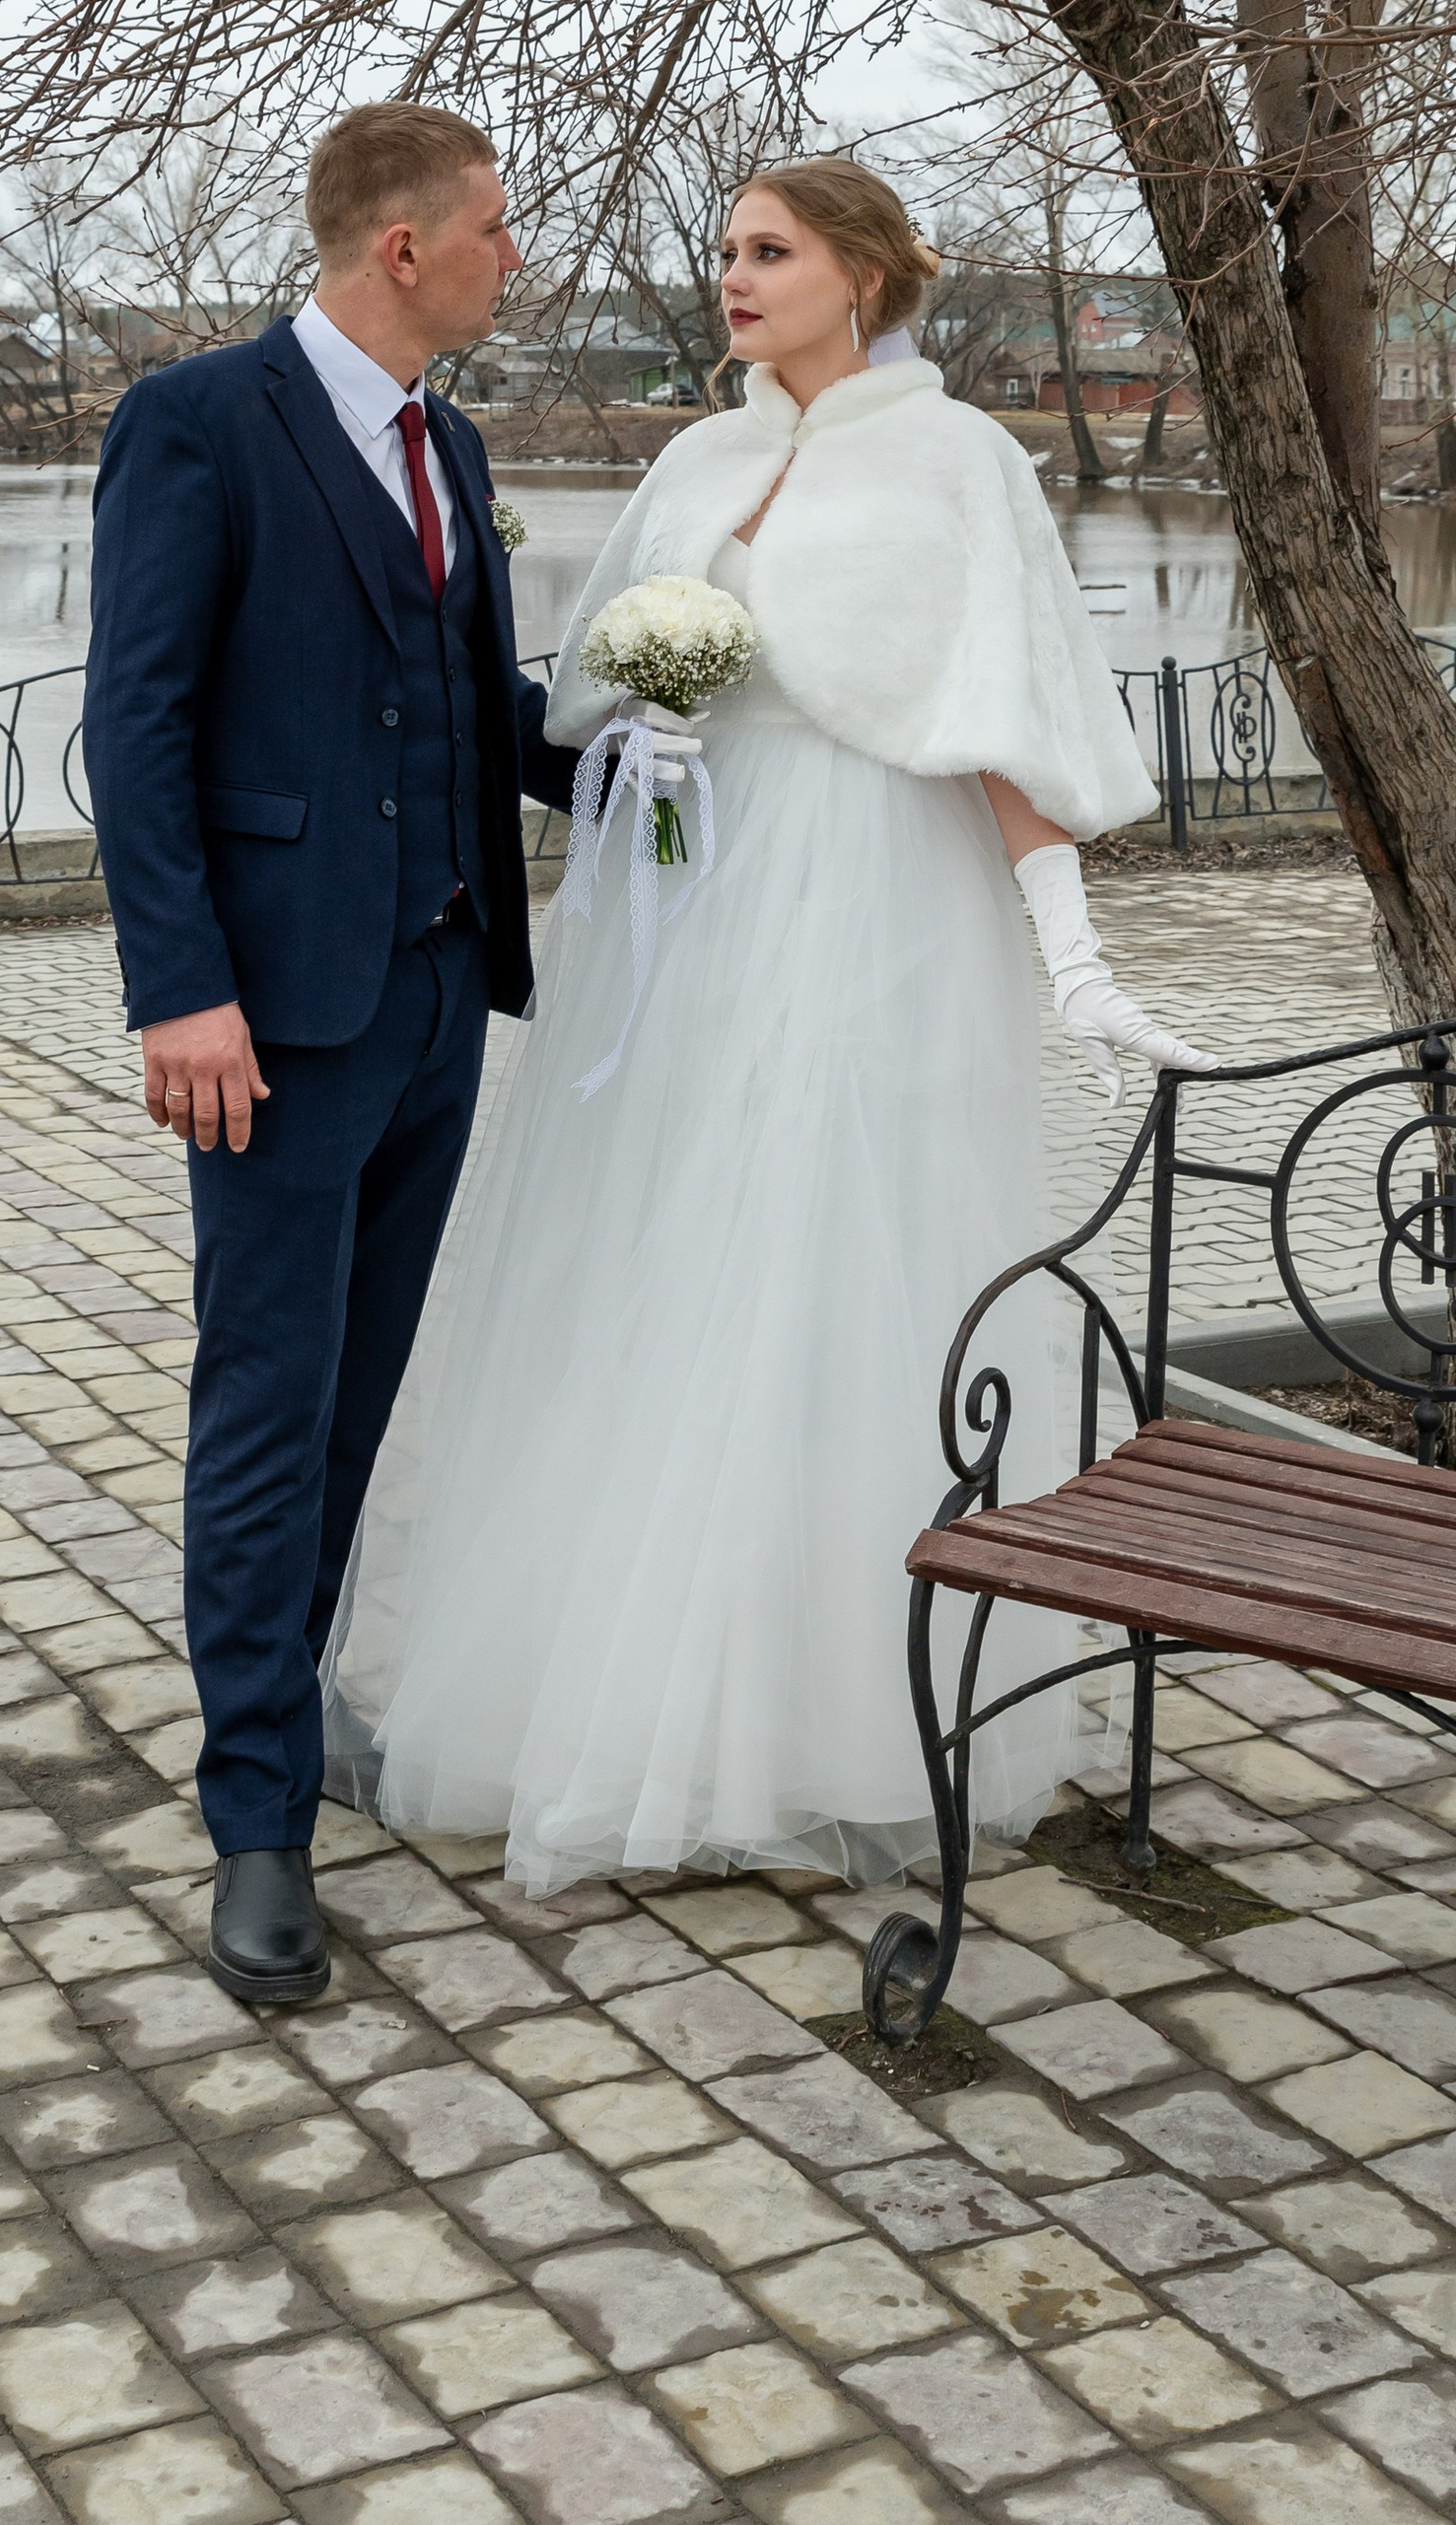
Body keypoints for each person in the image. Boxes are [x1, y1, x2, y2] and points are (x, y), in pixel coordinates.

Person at [323, 158, 1215, 1889]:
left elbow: (1001, 728)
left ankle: (822, 1716)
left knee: (821, 1273)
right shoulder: (699, 454)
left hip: (872, 915)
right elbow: (589, 686)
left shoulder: (958, 463)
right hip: (682, 918)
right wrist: (627, 746)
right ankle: (610, 1695)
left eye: (769, 252)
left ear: (865, 273)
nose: (731, 277)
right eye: (726, 250)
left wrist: (1075, 959)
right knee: (655, 1262)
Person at [84, 103, 579, 2003]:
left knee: (363, 1395)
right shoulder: (198, 425)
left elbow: (461, 703)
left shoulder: (446, 441)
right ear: (402, 246)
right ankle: (257, 1818)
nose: (509, 257)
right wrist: (178, 991)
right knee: (267, 1399)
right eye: (493, 228)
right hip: (274, 1018)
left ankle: (299, 1713)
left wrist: (630, 744)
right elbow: (137, 728)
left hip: (441, 992)